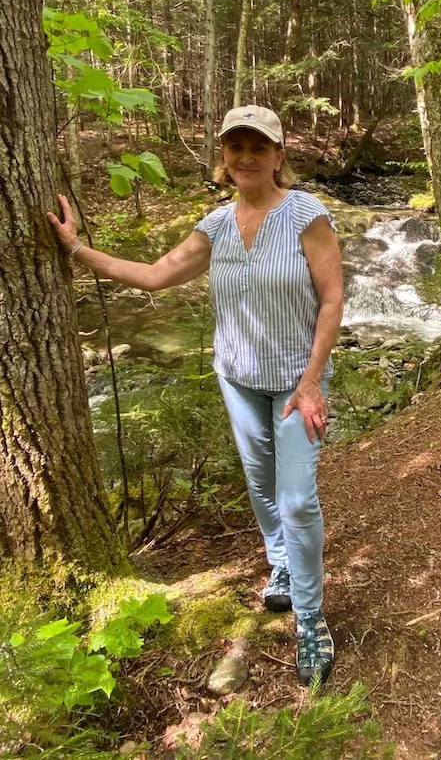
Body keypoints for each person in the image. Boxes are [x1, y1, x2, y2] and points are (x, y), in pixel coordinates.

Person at [48, 104, 344, 686]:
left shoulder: (307, 215)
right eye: (236, 148)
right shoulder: (214, 226)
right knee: (261, 484)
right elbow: (157, 274)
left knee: (298, 499)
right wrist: (76, 251)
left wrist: (312, 382)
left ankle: (311, 619)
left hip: (295, 384)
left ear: (279, 156)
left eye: (259, 147)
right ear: (224, 159)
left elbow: (332, 299)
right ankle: (280, 564)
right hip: (237, 376)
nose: (247, 157)